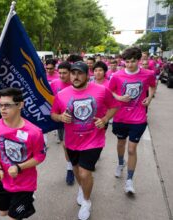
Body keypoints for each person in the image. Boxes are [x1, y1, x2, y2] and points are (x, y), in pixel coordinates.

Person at [51, 61, 118, 220]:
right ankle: (82, 189)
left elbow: (114, 105)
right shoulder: (62, 94)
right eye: (73, 73)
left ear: (88, 75)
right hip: (72, 141)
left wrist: (105, 119)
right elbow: (53, 114)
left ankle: (87, 202)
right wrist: (60, 117)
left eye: (80, 73)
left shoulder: (101, 90)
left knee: (85, 172)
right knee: (76, 170)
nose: (76, 76)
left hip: (94, 140)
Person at [0, 87, 46, 220]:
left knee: (13, 217)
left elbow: (40, 156)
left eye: (7, 105)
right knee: (3, 212)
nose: (2, 109)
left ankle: (27, 199)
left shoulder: (34, 132)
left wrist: (19, 167)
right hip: (4, 181)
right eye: (0, 105)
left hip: (24, 184)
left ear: (20, 105)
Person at [109, 47, 157, 194]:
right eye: (127, 62)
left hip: (138, 117)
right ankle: (120, 163)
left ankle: (129, 181)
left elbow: (153, 86)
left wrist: (149, 98)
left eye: (133, 61)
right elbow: (110, 91)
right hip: (121, 117)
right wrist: (118, 97)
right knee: (121, 143)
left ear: (139, 60)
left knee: (132, 149)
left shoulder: (148, 74)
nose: (129, 65)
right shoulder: (117, 75)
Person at [50, 61, 74, 185]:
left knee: (77, 146)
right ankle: (70, 167)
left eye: (65, 73)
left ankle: (79, 164)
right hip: (61, 118)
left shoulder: (77, 84)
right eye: (59, 73)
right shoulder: (54, 84)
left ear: (71, 73)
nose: (62, 75)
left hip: (78, 120)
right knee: (65, 145)